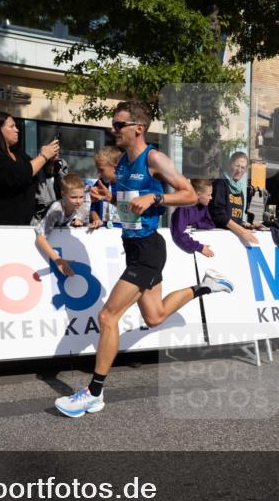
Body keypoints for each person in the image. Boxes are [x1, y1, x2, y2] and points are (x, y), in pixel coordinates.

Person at [54, 100, 234, 418]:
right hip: (135, 248)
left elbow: (189, 194)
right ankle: (206, 286)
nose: (113, 129)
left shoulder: (154, 158)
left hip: (149, 249)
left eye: (118, 124)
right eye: (113, 124)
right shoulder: (123, 163)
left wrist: (156, 196)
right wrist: (109, 198)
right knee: (154, 316)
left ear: (138, 128)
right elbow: (131, 209)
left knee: (108, 317)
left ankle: (94, 393)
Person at [0, 111, 59, 226]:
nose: (17, 130)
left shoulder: (17, 152)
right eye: (11, 126)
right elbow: (20, 174)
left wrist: (50, 160)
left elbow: (33, 171)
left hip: (24, 222)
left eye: (16, 126)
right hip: (0, 222)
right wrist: (43, 156)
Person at [34, 173, 88, 278]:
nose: (78, 201)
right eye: (73, 197)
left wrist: (94, 221)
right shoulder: (56, 210)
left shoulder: (82, 207)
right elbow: (40, 238)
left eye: (81, 197)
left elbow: (85, 217)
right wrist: (58, 260)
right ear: (63, 194)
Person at [210, 151, 259, 246]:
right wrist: (242, 231)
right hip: (218, 239)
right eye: (237, 166)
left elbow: (236, 218)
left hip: (233, 240)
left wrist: (248, 226)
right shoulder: (220, 183)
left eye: (243, 168)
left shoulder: (239, 190)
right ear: (229, 165)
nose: (239, 170)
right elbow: (218, 215)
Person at [171, 178, 217, 257]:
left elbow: (211, 224)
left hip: (195, 254)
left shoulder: (203, 206)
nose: (211, 198)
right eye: (209, 195)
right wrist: (200, 247)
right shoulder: (183, 208)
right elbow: (178, 235)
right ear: (198, 194)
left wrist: (195, 225)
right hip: (182, 254)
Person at [89, 145, 121, 228]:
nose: (98, 173)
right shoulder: (99, 184)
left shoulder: (127, 185)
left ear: (116, 167)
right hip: (103, 232)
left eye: (101, 169)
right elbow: (93, 208)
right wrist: (96, 220)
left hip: (122, 232)